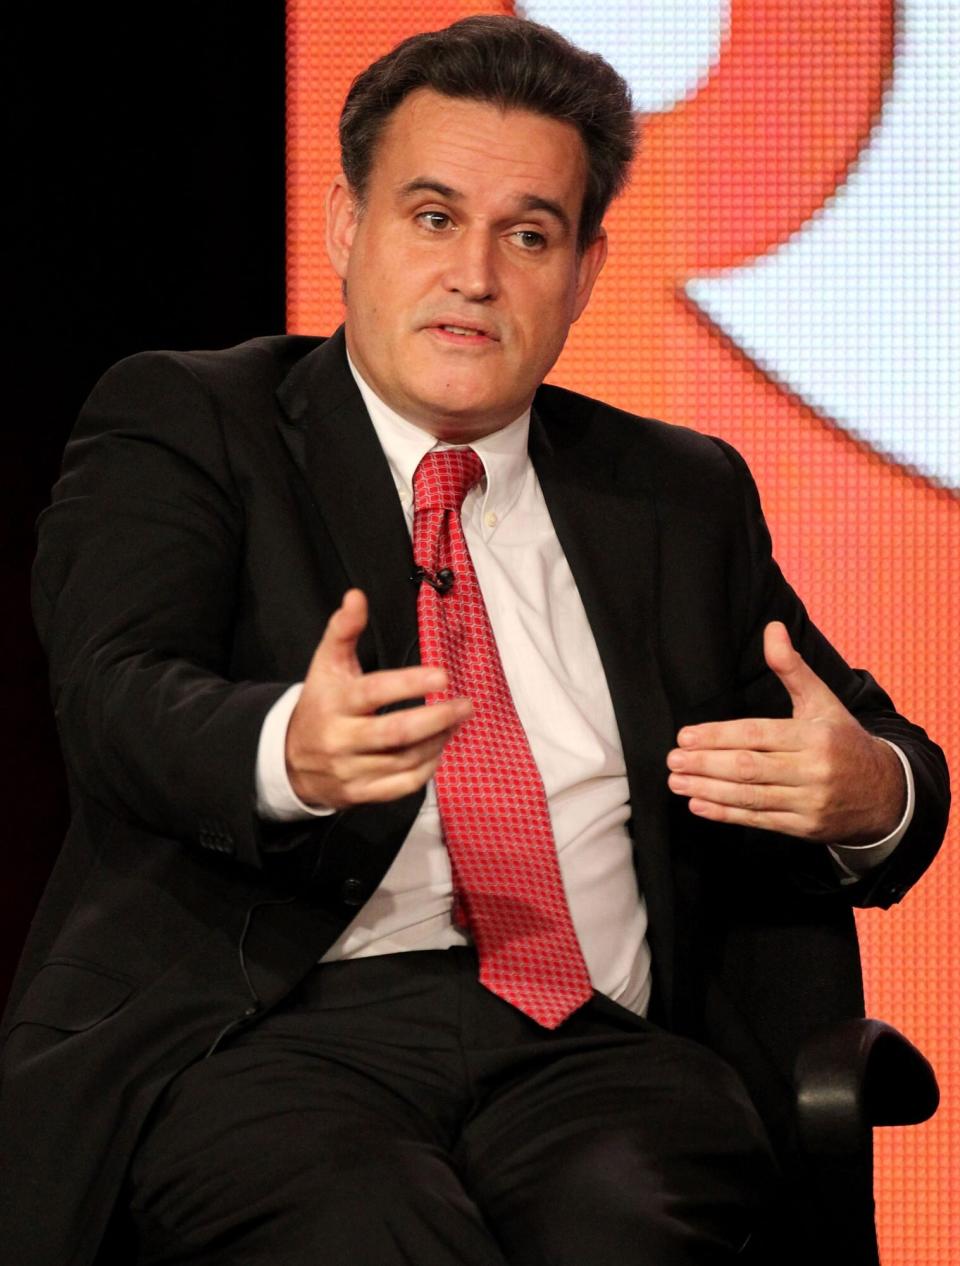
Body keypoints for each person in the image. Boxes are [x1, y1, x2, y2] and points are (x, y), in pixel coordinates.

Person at [0, 15, 948, 1266]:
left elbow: (877, 750)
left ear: (585, 269)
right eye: (433, 217)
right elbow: (117, 696)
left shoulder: (674, 491)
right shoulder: (193, 420)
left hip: (599, 1053)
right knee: (363, 1235)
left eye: (530, 233)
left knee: (635, 1226)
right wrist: (290, 748)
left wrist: (868, 787)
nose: (477, 276)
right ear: (348, 227)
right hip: (272, 1033)